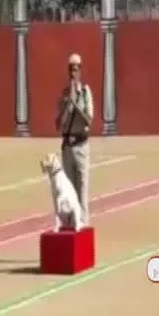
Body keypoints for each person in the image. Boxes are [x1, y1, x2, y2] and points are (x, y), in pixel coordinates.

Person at [56, 53, 94, 226]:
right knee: (68, 191)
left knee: (82, 191)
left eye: (76, 70)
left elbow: (89, 120)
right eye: (71, 70)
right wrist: (67, 105)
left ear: (80, 71)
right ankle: (71, 226)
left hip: (81, 146)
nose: (73, 74)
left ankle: (83, 226)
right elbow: (59, 123)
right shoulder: (64, 94)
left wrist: (76, 104)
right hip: (68, 146)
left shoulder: (85, 92)